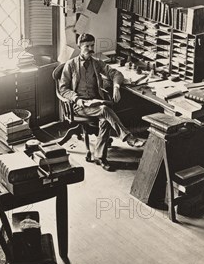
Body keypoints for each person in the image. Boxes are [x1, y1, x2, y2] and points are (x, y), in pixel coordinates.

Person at [59, 33, 146, 171]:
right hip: (79, 105)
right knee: (105, 110)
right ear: (79, 47)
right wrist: (76, 99)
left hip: (95, 102)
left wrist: (116, 87)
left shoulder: (96, 63)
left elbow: (116, 74)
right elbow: (63, 89)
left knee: (105, 118)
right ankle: (128, 137)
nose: (90, 48)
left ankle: (100, 157)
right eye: (86, 46)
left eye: (92, 45)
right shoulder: (70, 65)